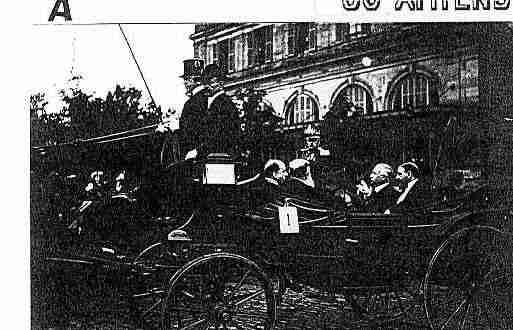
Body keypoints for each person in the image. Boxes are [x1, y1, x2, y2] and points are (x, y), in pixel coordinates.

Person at [202, 63, 242, 157]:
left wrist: (199, 150)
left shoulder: (224, 104)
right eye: (205, 83)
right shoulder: (216, 102)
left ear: (221, 83)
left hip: (221, 156)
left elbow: (219, 134)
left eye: (211, 82)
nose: (207, 86)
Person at [178, 58, 208, 160]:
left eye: (186, 80)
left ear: (191, 80)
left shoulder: (191, 103)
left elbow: (187, 130)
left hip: (193, 154)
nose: (185, 84)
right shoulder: (208, 97)